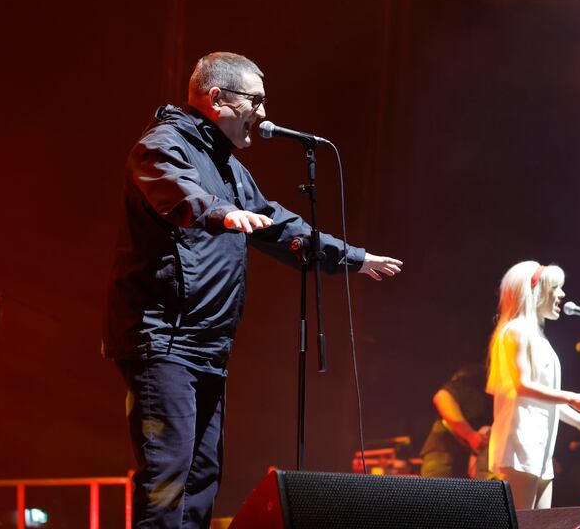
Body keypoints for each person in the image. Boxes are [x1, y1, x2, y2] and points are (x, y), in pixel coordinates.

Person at [102, 52, 403, 527]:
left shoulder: (230, 169)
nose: (264, 114)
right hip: (162, 341)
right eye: (256, 101)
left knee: (203, 475)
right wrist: (220, 213)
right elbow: (178, 194)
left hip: (207, 346)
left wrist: (352, 257)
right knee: (166, 476)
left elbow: (280, 225)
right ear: (216, 99)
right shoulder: (160, 146)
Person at [486, 261, 580, 510]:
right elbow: (522, 386)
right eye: (555, 288)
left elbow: (542, 397)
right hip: (520, 447)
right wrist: (572, 397)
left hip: (539, 449)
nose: (562, 294)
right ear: (535, 292)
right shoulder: (516, 331)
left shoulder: (537, 337)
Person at [419, 364, 492, 479]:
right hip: (444, 458)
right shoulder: (472, 381)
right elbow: (442, 397)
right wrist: (470, 435)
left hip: (458, 462)